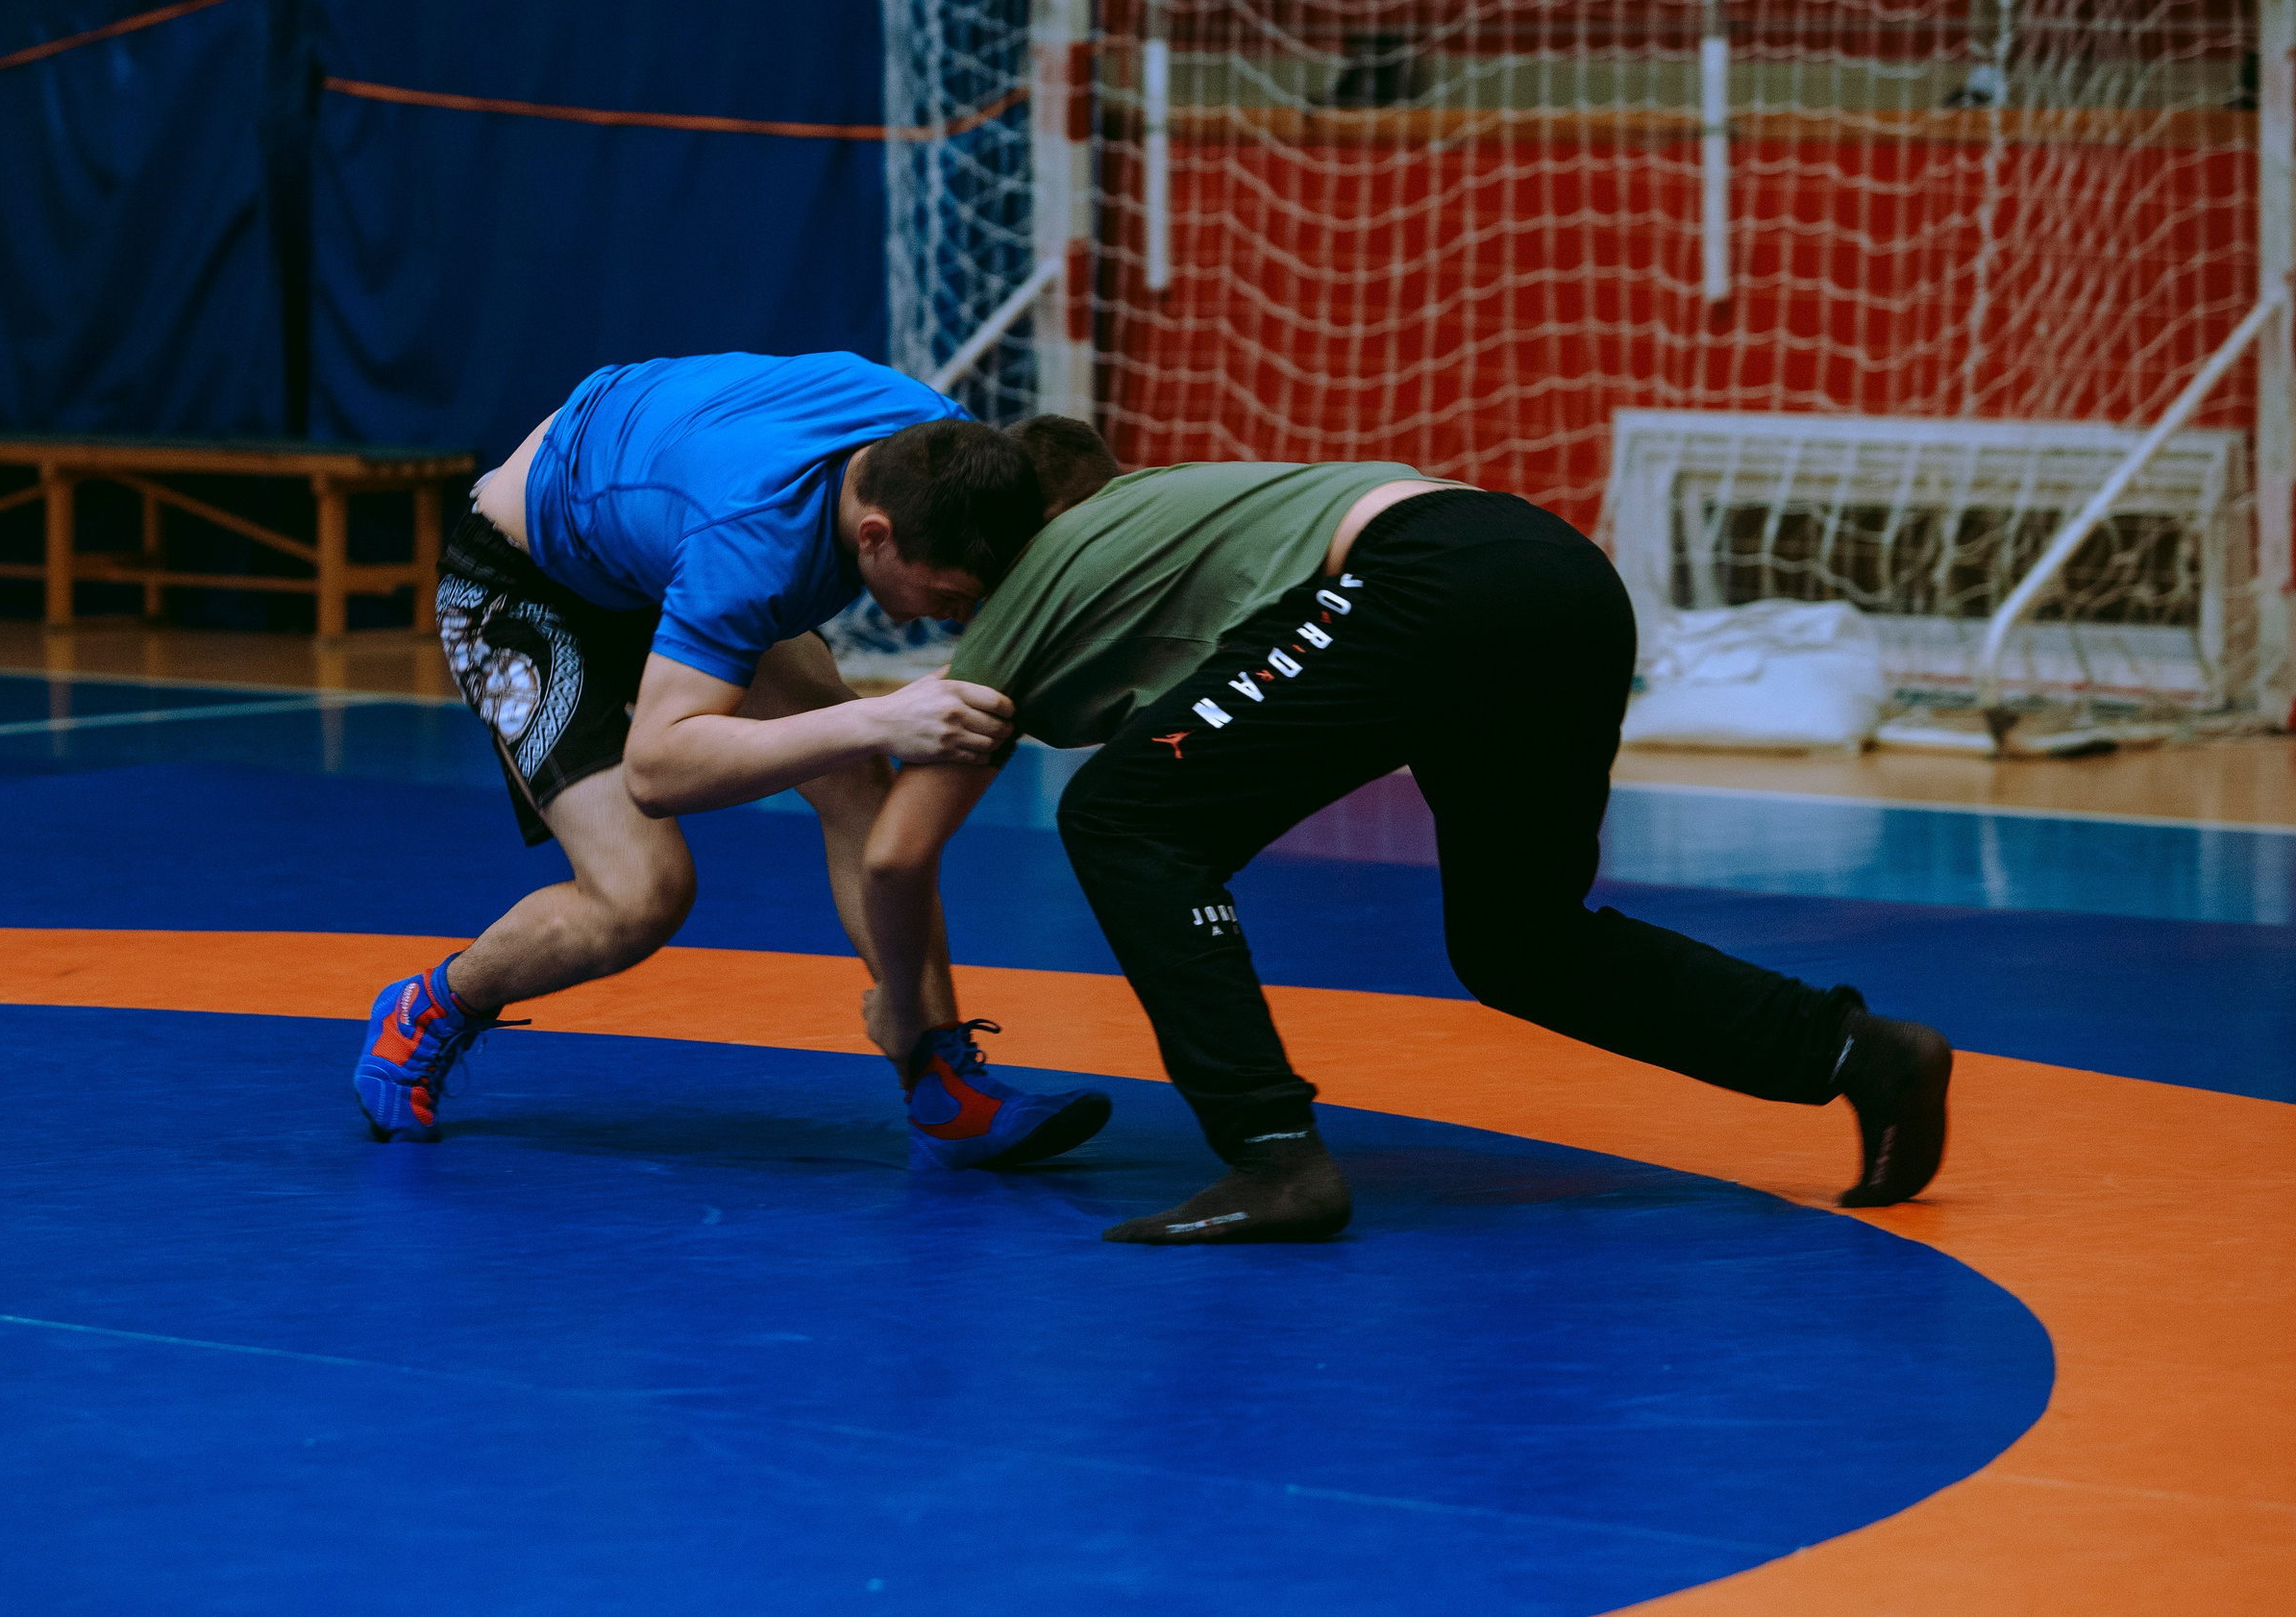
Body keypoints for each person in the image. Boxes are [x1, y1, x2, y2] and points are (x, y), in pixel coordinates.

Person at [858, 425, 1952, 1243]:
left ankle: (1273, 1153)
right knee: (1517, 939)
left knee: (1122, 813)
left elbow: (899, 849)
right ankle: (1860, 1051)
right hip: (1559, 575)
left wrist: (910, 1026)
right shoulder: (1176, 502)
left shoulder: (1046, 572)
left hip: (1427, 579)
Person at [353, 352, 1110, 1170]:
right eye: (954, 597)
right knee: (642, 895)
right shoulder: (751, 545)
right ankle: (430, 1006)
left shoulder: (943, 458)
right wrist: (880, 716)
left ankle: (939, 1083)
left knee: (856, 779)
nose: (961, 616)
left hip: (654, 530)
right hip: (523, 586)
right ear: (876, 535)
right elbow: (659, 771)